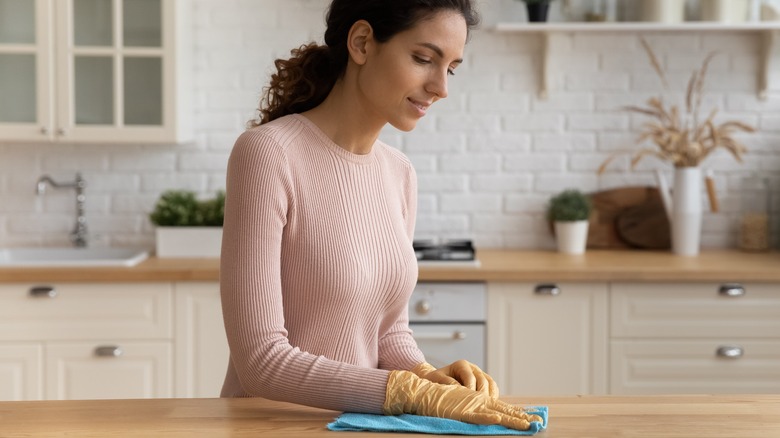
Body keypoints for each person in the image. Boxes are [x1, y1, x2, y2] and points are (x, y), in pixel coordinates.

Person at [219, 0, 541, 431]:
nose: (441, 87)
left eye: (451, 68)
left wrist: (427, 375)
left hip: (362, 425)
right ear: (362, 43)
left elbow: (387, 333)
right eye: (424, 59)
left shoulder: (399, 174)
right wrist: (407, 392)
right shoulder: (268, 154)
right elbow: (260, 361)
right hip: (272, 426)